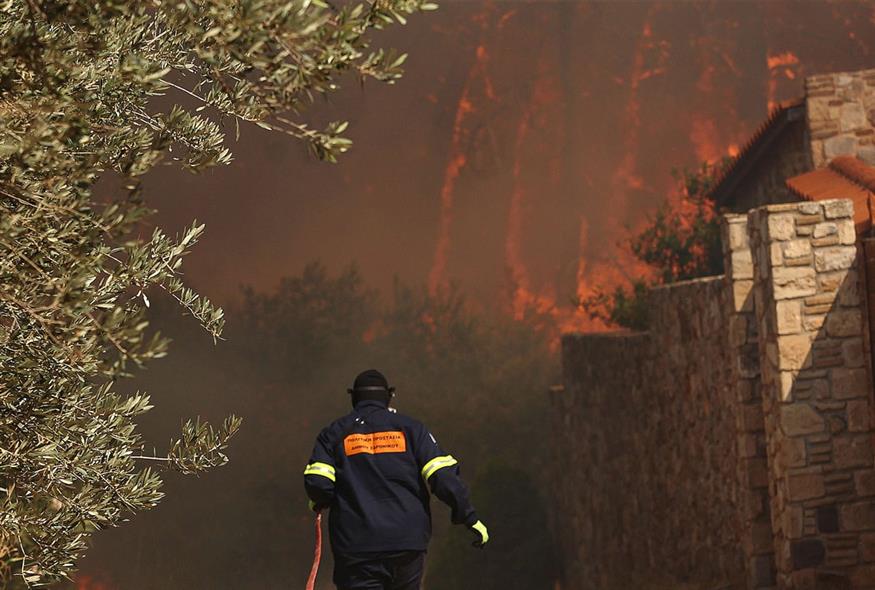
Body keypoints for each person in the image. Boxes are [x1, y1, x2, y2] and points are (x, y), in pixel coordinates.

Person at [304, 369, 489, 590]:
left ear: (353, 397)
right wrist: (468, 516)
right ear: (389, 396)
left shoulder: (334, 433)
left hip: (357, 547)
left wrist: (320, 499)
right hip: (406, 544)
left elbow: (318, 483)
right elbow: (443, 476)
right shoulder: (412, 430)